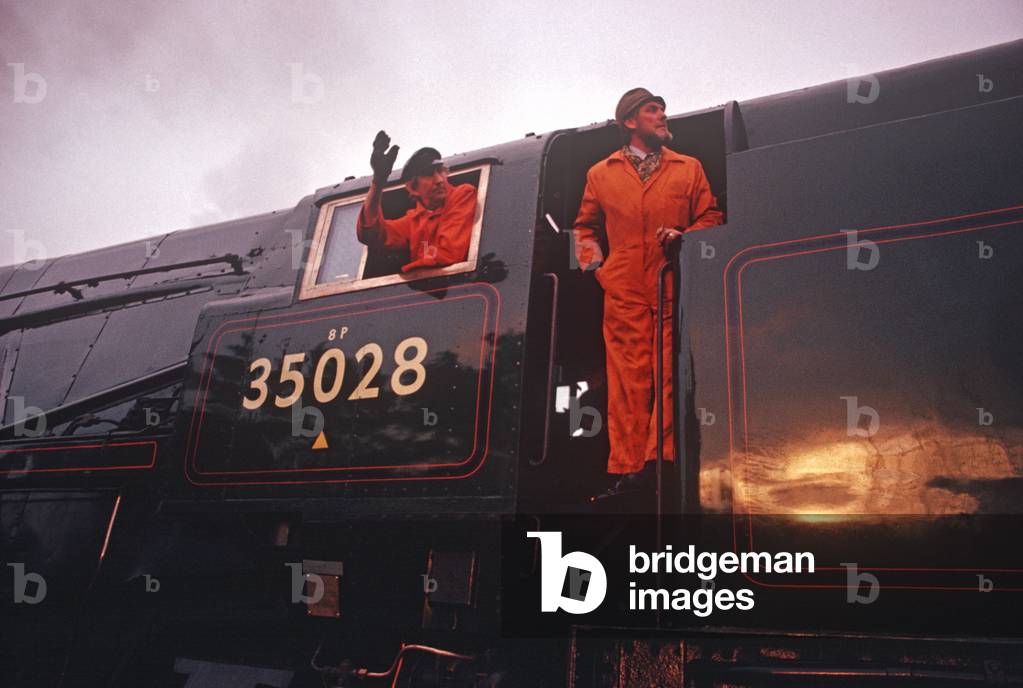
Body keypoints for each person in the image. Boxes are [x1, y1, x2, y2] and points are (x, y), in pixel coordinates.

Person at [573, 88, 723, 495]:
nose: (662, 116)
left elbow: (711, 215)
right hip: (622, 286)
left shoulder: (688, 168)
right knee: (626, 378)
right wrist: (595, 262)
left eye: (662, 110)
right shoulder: (599, 173)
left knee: (670, 370)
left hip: (671, 280)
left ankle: (663, 459)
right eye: (652, 110)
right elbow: (585, 226)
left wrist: (684, 236)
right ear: (630, 122)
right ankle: (628, 467)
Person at [357, 131, 477, 273]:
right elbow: (371, 234)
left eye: (440, 171)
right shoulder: (414, 220)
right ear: (413, 188)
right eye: (428, 174)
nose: (439, 180)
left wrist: (407, 272)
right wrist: (378, 181)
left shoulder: (463, 194)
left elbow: (448, 254)